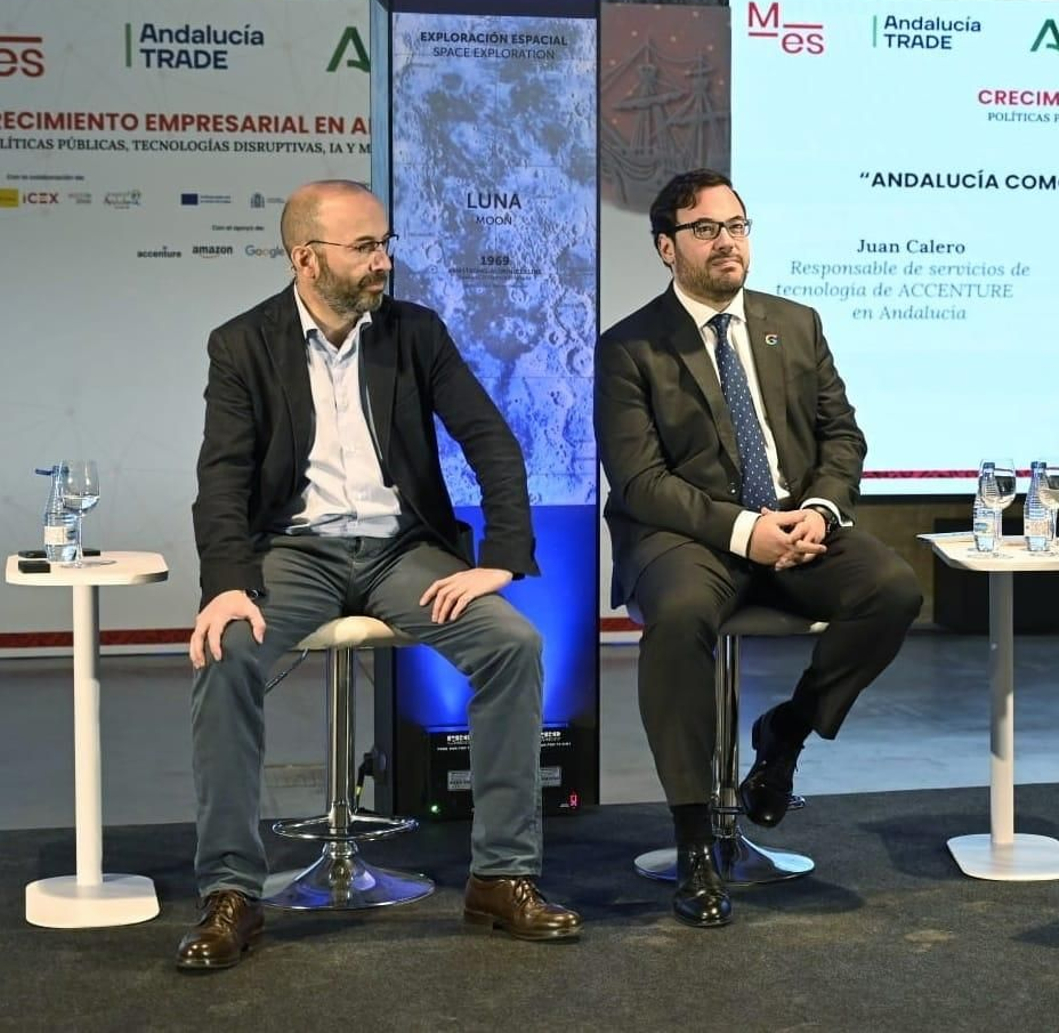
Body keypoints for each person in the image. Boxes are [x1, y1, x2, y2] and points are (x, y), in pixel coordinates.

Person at [179, 179, 580, 970]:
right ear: (306, 259)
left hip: (402, 550)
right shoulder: (243, 344)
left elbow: (492, 441)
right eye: (364, 247)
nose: (383, 261)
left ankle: (501, 877)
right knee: (225, 650)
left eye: (385, 243)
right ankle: (231, 892)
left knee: (513, 644)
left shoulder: (414, 333)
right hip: (295, 550)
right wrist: (226, 582)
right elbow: (222, 477)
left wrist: (501, 557)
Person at [596, 169, 922, 928]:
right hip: (688, 535)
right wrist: (748, 531)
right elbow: (640, 481)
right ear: (667, 247)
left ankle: (786, 735)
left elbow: (843, 437)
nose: (727, 243)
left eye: (737, 226)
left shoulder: (795, 323)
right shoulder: (630, 346)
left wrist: (819, 510)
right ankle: (694, 844)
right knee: (680, 618)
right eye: (706, 230)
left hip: (796, 524)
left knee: (893, 588)